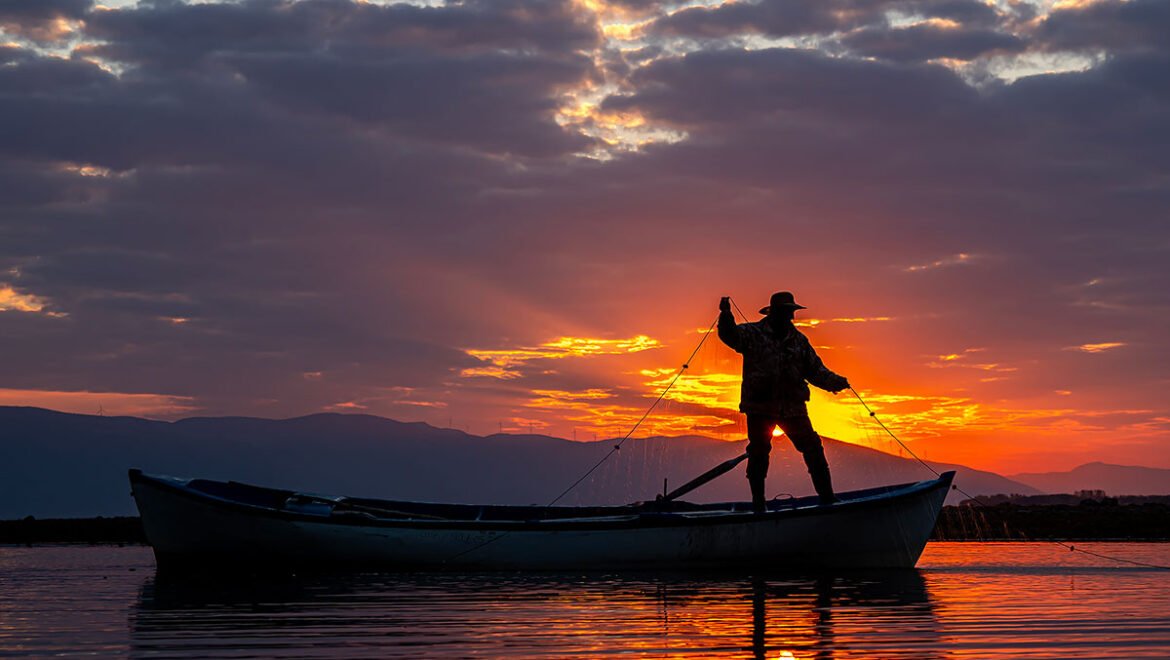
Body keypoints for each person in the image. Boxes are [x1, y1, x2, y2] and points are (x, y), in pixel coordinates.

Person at [717, 291, 849, 512]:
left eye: (791, 313)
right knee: (759, 453)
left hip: (793, 408)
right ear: (773, 312)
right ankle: (759, 503)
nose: (789, 317)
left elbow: (815, 370)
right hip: (760, 407)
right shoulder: (752, 334)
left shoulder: (799, 341)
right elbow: (729, 335)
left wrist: (836, 382)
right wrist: (726, 314)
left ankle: (828, 498)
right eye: (786, 312)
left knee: (813, 449)